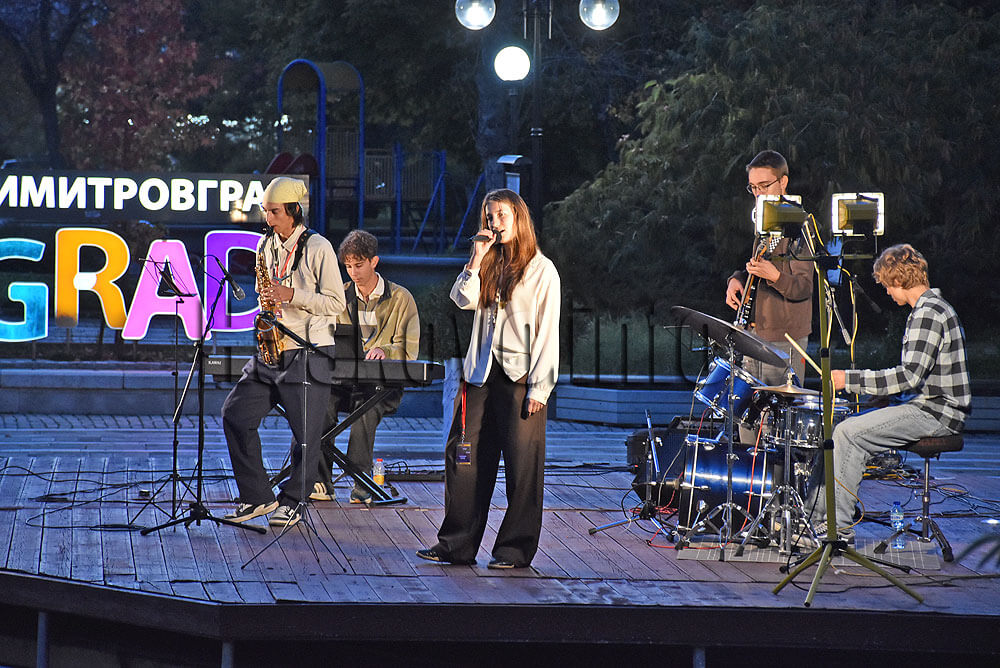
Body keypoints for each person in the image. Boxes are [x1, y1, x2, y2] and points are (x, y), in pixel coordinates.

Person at [416, 188, 560, 569]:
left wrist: (541, 387)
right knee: (463, 457)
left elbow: (548, 331)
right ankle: (455, 544)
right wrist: (476, 258)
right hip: (480, 374)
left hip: (520, 378)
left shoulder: (542, 270)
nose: (494, 223)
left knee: (522, 466)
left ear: (518, 217)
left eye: (501, 215)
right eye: (489, 216)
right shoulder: (489, 262)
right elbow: (462, 299)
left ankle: (514, 549)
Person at [804, 244, 971, 538]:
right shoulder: (932, 308)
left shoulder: (929, 313)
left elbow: (909, 375)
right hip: (928, 406)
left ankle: (837, 528)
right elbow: (923, 375)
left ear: (898, 279)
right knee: (837, 430)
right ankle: (814, 518)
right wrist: (889, 396)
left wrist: (848, 380)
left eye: (886, 285)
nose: (887, 292)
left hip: (936, 414)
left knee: (847, 433)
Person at [222, 176, 346, 528]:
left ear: (294, 211)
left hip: (310, 348)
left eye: (274, 212)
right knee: (235, 413)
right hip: (273, 347)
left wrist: (291, 295)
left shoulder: (318, 247)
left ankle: (294, 501)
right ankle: (257, 496)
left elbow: (336, 303)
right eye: (265, 211)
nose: (268, 218)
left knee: (306, 435)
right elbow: (266, 290)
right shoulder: (265, 245)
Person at [310, 229, 420, 504]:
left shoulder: (401, 298)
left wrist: (386, 350)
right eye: (348, 266)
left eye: (358, 265)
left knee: (365, 409)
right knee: (321, 402)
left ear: (374, 261)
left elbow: (410, 348)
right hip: (344, 381)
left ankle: (361, 481)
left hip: (382, 385)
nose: (353, 272)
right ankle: (321, 481)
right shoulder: (340, 296)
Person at [725, 150, 814, 385]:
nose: (758, 193)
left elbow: (804, 287)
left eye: (764, 186)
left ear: (783, 182)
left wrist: (775, 276)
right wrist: (737, 279)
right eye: (753, 187)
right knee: (749, 404)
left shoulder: (800, 226)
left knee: (778, 405)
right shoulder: (765, 221)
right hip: (754, 333)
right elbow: (757, 266)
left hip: (785, 338)